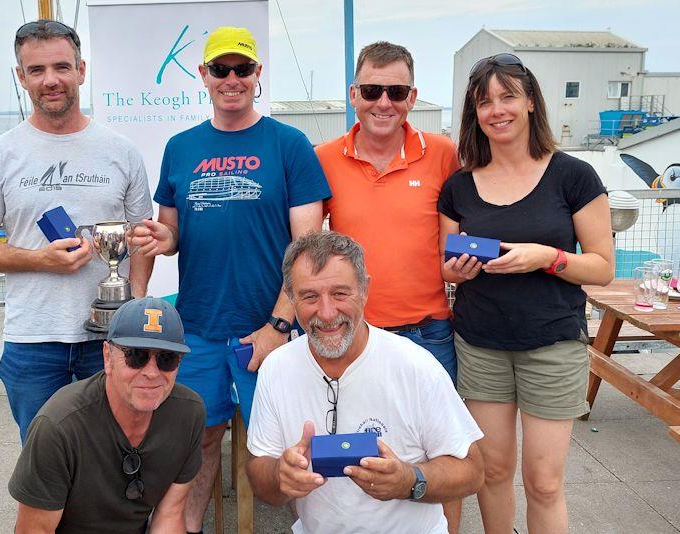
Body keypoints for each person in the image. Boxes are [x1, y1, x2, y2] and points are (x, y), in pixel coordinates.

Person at [128, 26, 331, 532]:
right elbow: (172, 233)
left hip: (271, 329)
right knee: (198, 443)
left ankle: (312, 522)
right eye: (221, 69)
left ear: (257, 75)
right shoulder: (180, 147)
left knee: (289, 445)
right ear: (204, 76)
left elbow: (304, 250)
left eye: (242, 69)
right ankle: (187, 527)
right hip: (198, 327)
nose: (232, 79)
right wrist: (160, 237)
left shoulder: (290, 145)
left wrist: (278, 327)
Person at [438, 53, 614, 533]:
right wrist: (461, 271)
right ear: (474, 114)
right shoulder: (459, 187)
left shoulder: (572, 175)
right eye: (484, 101)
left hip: (553, 346)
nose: (497, 110)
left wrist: (547, 258)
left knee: (544, 483)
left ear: (531, 101)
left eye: (508, 96)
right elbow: (447, 267)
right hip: (481, 345)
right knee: (491, 473)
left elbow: (601, 268)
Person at [0, 19, 153, 443]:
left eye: (62, 67)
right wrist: (38, 260)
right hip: (32, 342)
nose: (51, 80)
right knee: (44, 461)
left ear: (81, 70)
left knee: (116, 452)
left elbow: (141, 240)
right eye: (37, 71)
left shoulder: (120, 151)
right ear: (20, 77)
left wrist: (134, 302)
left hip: (109, 337)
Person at [315, 42, 463, 529]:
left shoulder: (443, 155)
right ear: (354, 94)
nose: (384, 102)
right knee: (352, 464)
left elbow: (471, 223)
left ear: (412, 96)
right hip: (352, 340)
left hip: (429, 335)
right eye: (373, 90)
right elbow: (308, 249)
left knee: (443, 463)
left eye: (396, 91)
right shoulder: (323, 158)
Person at [246, 231, 484, 533]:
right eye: (309, 296)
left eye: (340, 294)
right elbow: (259, 474)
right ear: (291, 300)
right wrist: (280, 474)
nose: (327, 312)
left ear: (365, 290)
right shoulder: (277, 369)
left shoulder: (415, 366)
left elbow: (473, 470)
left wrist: (410, 480)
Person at [8, 297, 205, 534]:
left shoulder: (188, 414)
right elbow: (34, 530)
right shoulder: (59, 427)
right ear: (107, 357)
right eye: (136, 356)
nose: (152, 373)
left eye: (167, 358)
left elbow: (170, 514)